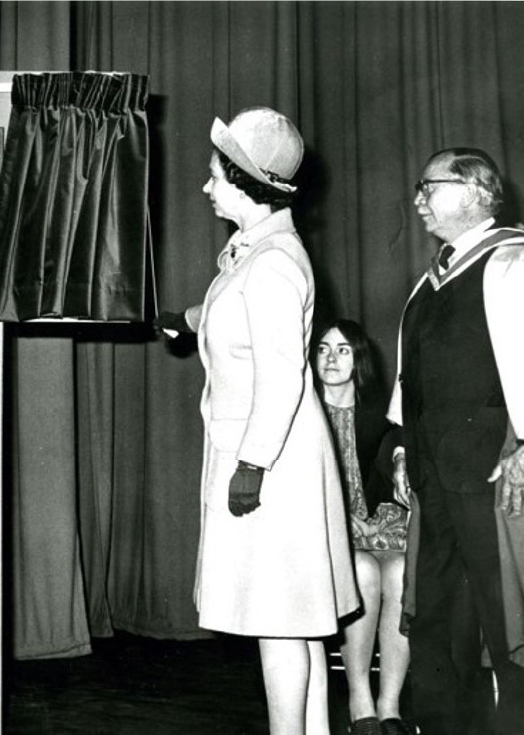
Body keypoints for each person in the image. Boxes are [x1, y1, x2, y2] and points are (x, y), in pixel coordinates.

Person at [155, 107, 359, 735]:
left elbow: (281, 376)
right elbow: (240, 317)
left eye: (215, 175)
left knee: (276, 621)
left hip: (271, 461)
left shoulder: (271, 262)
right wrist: (188, 318)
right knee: (291, 619)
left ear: (246, 182)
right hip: (270, 453)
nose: (207, 186)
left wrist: (251, 466)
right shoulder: (258, 251)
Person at [388, 147, 524, 735]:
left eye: (429, 186)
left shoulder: (512, 264)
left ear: (474, 192)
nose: (418, 198)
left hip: (495, 481)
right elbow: (407, 379)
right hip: (434, 483)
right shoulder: (428, 283)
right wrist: (399, 447)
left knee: (510, 621)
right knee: (440, 621)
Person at [313, 319, 414, 735]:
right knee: (364, 574)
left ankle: (390, 708)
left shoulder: (375, 409)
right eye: (322, 349)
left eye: (342, 350)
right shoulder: (303, 408)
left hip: (377, 519)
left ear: (358, 360)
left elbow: (397, 437)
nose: (331, 358)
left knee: (402, 572)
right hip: (324, 525)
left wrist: (400, 458)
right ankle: (360, 701)